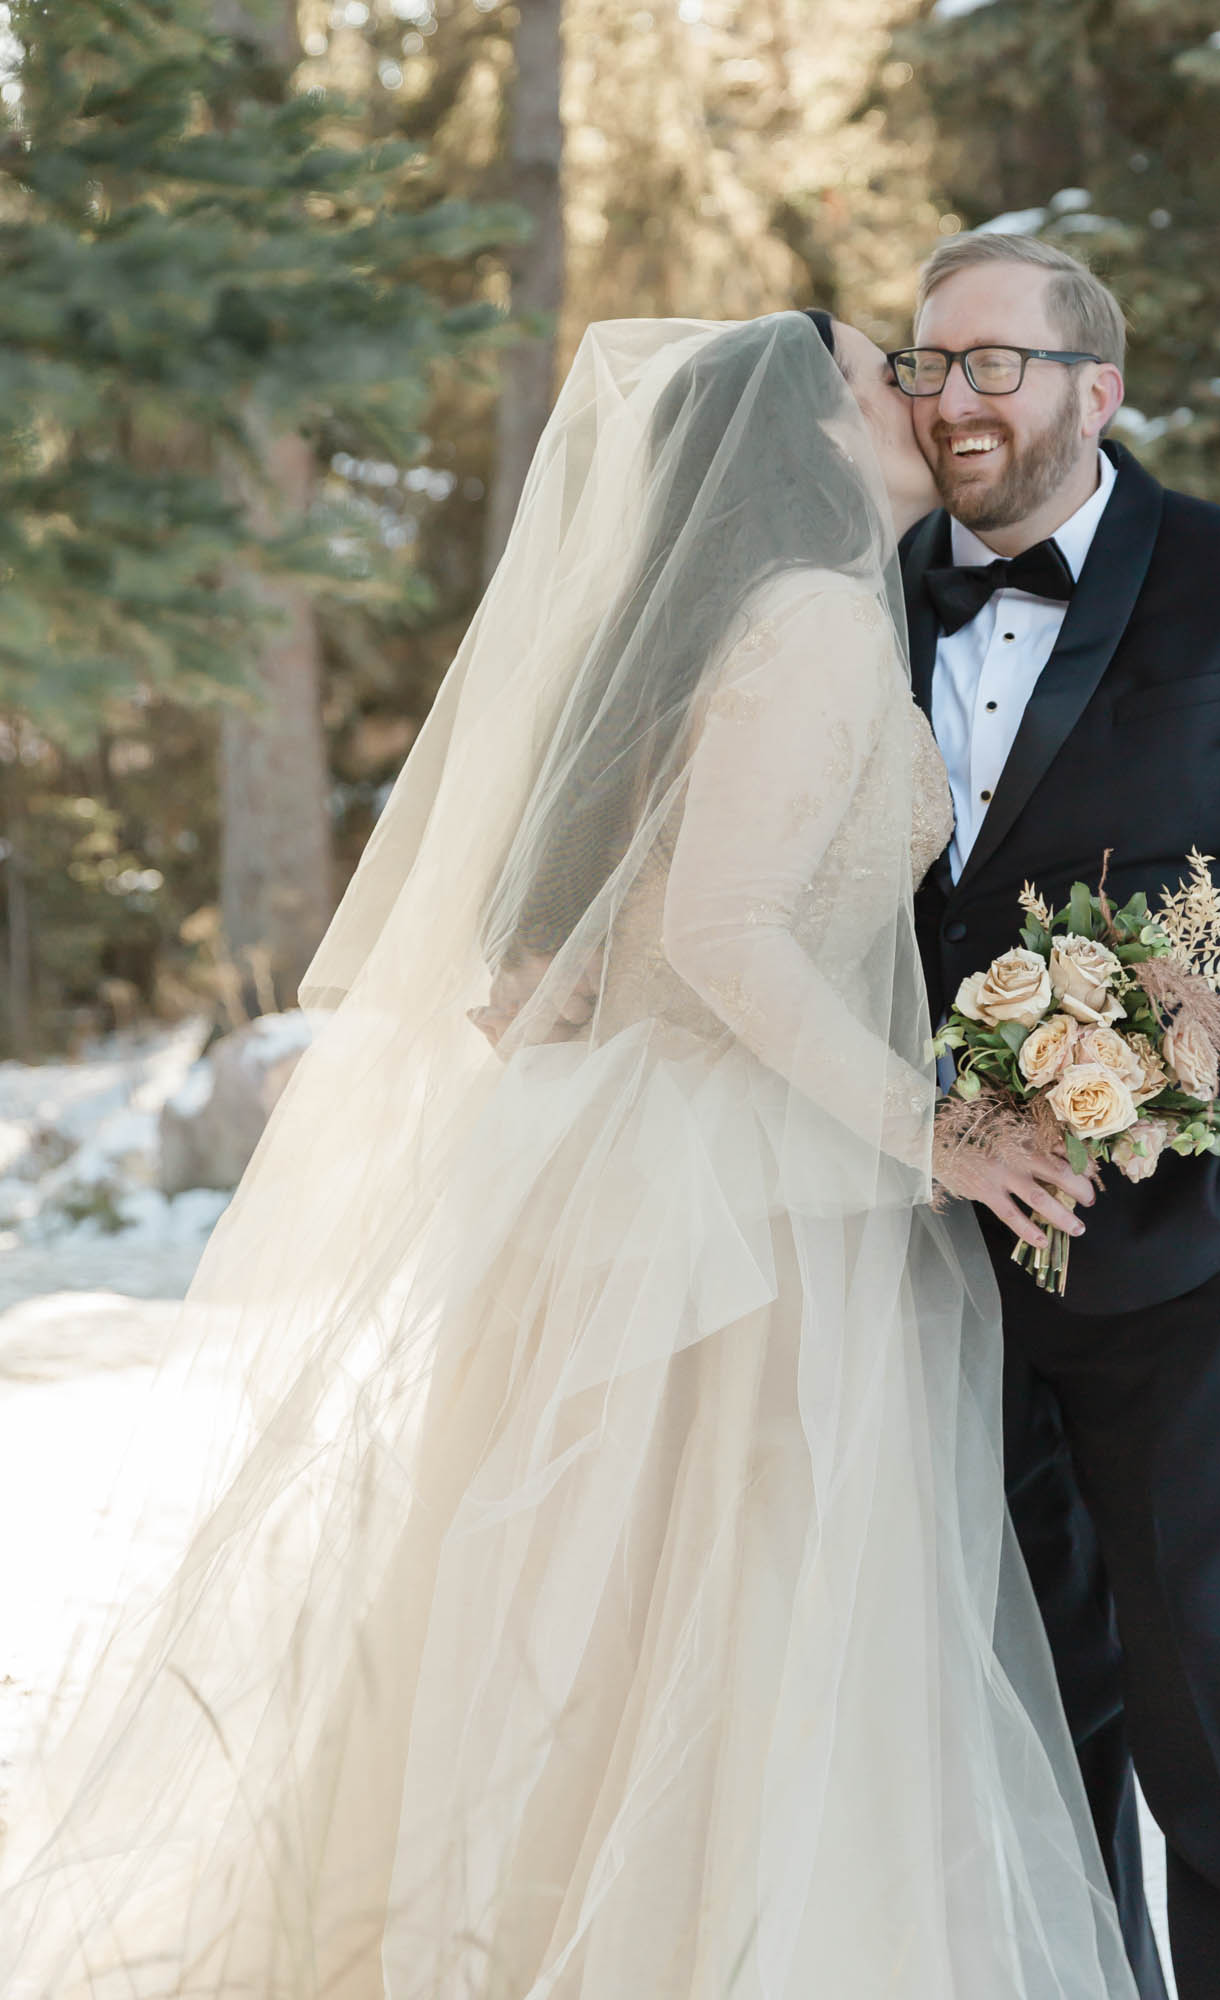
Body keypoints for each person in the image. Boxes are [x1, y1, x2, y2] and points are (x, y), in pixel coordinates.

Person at [0, 312, 1136, 2000]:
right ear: (800, 439)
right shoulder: (818, 619)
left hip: (661, 1167)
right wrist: (937, 1127)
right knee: (733, 1631)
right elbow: (733, 930)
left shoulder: (741, 627)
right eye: (869, 372)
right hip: (751, 1198)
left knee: (611, 1629)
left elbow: (629, 937)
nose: (909, 392)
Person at [898, 234, 1220, 2000]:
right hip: (929, 1271)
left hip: (1198, 1259)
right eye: (927, 365)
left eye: (995, 365)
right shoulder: (861, 597)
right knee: (1027, 1733)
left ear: (1096, 389)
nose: (954, 401)